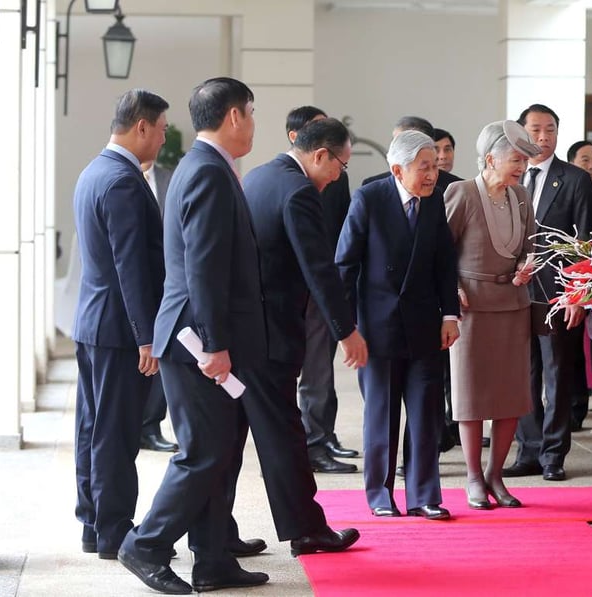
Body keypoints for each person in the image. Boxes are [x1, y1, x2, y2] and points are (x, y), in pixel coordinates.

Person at [117, 78, 336, 596]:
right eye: (252, 113)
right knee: (204, 453)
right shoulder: (208, 172)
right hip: (198, 343)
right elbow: (204, 267)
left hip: (210, 339)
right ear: (235, 115)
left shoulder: (207, 167)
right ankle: (145, 545)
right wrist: (215, 345)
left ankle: (213, 559)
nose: (255, 124)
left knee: (220, 450)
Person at [229, 115, 366, 559]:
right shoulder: (299, 191)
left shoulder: (258, 176)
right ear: (321, 155)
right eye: (341, 165)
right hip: (272, 334)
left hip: (244, 330)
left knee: (231, 439)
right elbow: (319, 268)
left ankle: (217, 532)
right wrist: (346, 330)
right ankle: (307, 530)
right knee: (286, 436)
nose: (339, 176)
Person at [336, 130, 461, 520]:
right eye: (424, 167)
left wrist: (450, 315)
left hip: (425, 325)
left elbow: (445, 263)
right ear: (397, 170)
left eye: (435, 166)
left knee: (426, 414)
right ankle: (380, 495)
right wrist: (346, 328)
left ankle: (424, 495)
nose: (432, 175)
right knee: (382, 414)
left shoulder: (434, 200)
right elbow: (345, 266)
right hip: (377, 328)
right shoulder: (369, 199)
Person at [72, 89, 168, 560]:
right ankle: (113, 531)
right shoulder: (124, 181)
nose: (164, 138)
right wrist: (146, 335)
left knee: (92, 426)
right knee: (116, 432)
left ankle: (93, 523)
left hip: (94, 321)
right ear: (141, 126)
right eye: (162, 129)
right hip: (118, 329)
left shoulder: (94, 170)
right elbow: (131, 265)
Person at [444, 120, 540, 509]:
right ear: (489, 159)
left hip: (513, 305)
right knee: (471, 395)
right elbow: (441, 250)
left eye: (524, 162)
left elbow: (531, 245)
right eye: (515, 160)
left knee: (510, 396)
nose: (521, 168)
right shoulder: (462, 192)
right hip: (472, 308)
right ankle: (473, 477)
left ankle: (495, 475)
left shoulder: (521, 196)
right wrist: (451, 289)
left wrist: (527, 265)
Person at [502, 103, 592, 482]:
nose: (543, 137)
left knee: (556, 374)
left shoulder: (574, 179)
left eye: (550, 129)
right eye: (536, 130)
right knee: (522, 374)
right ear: (521, 133)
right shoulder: (509, 176)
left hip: (556, 293)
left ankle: (554, 454)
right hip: (514, 292)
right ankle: (529, 449)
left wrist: (578, 293)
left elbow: (586, 241)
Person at [283, 106, 360, 474]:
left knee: (324, 368)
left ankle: (324, 434)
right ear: (296, 137)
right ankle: (313, 441)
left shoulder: (337, 177)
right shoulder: (289, 180)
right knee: (312, 368)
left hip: (330, 278)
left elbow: (345, 226)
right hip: (305, 284)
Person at [137, 159, 179, 454]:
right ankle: (135, 424)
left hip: (167, 279)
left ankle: (150, 425)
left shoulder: (170, 178)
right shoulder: (121, 177)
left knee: (160, 352)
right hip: (135, 279)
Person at [361, 116, 463, 191]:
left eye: (407, 143)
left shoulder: (453, 188)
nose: (398, 149)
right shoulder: (370, 188)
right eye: (396, 142)